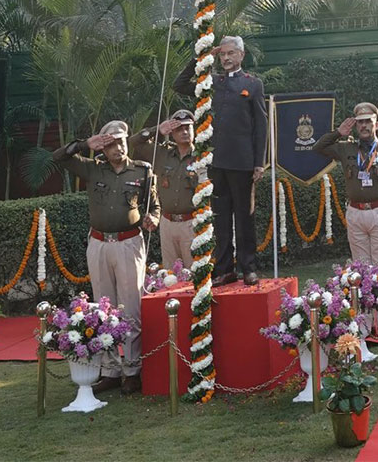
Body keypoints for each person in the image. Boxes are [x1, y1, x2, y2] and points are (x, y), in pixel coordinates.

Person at [51, 120, 157, 394]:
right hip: (99, 243)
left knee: (131, 308)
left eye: (121, 141)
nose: (118, 147)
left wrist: (152, 218)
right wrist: (85, 144)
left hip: (129, 243)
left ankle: (133, 370)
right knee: (104, 309)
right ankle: (110, 370)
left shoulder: (143, 171)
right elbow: (59, 157)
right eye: (110, 144)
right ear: (103, 148)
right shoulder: (92, 168)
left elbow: (154, 205)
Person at [176, 34, 267, 285]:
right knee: (221, 218)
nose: (226, 58)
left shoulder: (253, 84)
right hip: (216, 162)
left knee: (244, 217)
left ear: (241, 55)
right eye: (223, 54)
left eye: (230, 54)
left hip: (243, 162)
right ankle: (225, 268)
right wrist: (202, 56)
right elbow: (180, 83)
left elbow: (261, 126)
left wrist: (259, 162)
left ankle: (248, 267)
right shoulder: (210, 82)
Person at [315, 101, 378, 267]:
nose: (364, 126)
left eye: (368, 122)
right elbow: (318, 148)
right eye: (360, 122)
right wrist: (338, 132)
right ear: (356, 125)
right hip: (355, 212)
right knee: (360, 265)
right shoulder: (346, 148)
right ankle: (365, 294)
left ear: (376, 125)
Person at [133, 108, 197, 273]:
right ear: (172, 133)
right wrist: (158, 130)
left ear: (193, 130)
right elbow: (135, 142)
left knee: (195, 273)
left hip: (192, 223)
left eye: (187, 128)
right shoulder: (162, 154)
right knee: (171, 274)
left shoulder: (203, 156)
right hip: (167, 223)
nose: (184, 132)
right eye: (178, 129)